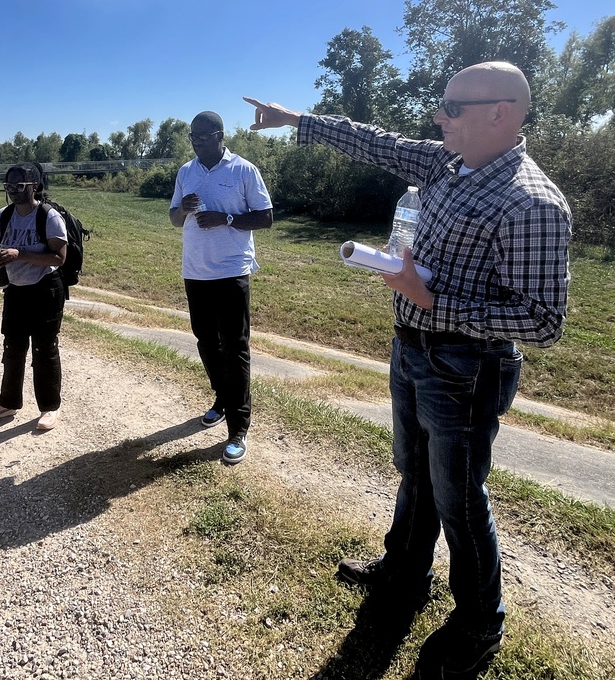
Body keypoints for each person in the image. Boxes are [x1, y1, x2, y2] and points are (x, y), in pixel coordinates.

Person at [246, 61, 571, 676]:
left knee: (459, 497)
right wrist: (297, 121)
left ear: (500, 113)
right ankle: (405, 572)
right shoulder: (446, 162)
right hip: (412, 348)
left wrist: (434, 303)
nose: (438, 116)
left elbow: (542, 321)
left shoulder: (531, 202)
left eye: (452, 107)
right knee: (413, 471)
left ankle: (478, 624)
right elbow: (377, 141)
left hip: (466, 367)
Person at [170, 111, 274, 465]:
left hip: (231, 270)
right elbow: (172, 217)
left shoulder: (243, 170)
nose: (196, 140)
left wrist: (225, 218)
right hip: (195, 270)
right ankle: (222, 397)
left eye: (202, 134)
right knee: (205, 340)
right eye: (191, 135)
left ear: (219, 135)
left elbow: (265, 217)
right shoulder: (186, 172)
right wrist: (182, 209)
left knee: (235, 346)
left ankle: (238, 428)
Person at [0, 163, 68, 431]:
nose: (13, 191)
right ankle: (8, 403)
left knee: (44, 348)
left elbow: (59, 258)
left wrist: (20, 254)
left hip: (46, 289)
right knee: (13, 347)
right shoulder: (2, 217)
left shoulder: (48, 217)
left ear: (34, 186)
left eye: (19, 186)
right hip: (15, 290)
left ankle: (50, 407)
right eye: (9, 186)